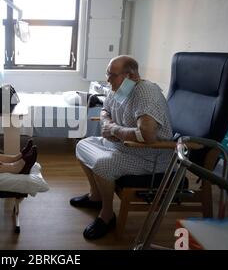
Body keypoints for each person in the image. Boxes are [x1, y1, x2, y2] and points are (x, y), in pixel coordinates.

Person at [71, 55, 173, 240]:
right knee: (82, 144)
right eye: (107, 74)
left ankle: (107, 215)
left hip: (149, 156)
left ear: (131, 75)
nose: (108, 79)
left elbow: (147, 135)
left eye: (112, 75)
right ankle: (96, 196)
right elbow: (105, 110)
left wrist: (114, 129)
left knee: (103, 165)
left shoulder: (145, 92)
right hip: (122, 146)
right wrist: (107, 124)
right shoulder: (121, 88)